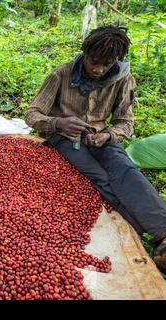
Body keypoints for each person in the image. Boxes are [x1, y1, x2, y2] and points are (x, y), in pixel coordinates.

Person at [25, 25, 166, 269]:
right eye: (94, 61)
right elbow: (31, 114)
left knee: (126, 171)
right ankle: (147, 233)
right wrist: (58, 122)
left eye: (106, 63)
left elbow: (125, 122)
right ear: (85, 53)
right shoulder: (62, 75)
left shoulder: (122, 78)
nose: (98, 69)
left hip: (100, 137)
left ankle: (162, 235)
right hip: (64, 139)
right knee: (99, 178)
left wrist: (108, 136)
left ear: (116, 60)